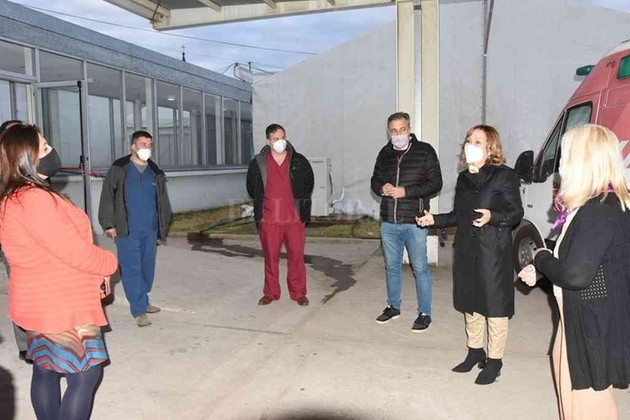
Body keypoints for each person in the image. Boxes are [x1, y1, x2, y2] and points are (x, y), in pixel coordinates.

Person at [0, 124, 118, 420]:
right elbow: (75, 252)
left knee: (46, 368)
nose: (51, 151)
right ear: (27, 159)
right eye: (43, 148)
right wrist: (109, 263)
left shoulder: (13, 197)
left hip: (38, 302)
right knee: (86, 374)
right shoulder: (35, 200)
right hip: (60, 306)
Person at [519, 124, 630, 419]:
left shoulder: (600, 210)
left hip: (592, 328)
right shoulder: (595, 204)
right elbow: (580, 259)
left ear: (583, 161)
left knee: (588, 407)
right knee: (572, 405)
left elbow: (576, 276)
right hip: (577, 320)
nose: (561, 165)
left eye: (566, 156)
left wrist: (541, 257)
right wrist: (543, 271)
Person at [417, 124, 523, 384]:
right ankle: (475, 351)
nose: (470, 145)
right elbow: (458, 215)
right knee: (471, 303)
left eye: (477, 141)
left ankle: (495, 361)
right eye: (468, 140)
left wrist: (492, 216)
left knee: (495, 306)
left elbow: (516, 213)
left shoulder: (504, 175)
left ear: (490, 146)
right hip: (466, 249)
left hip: (492, 251)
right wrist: (434, 220)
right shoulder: (464, 178)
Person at [370, 112, 442, 331]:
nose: (398, 134)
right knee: (392, 267)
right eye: (393, 131)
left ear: (409, 129)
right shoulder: (384, 153)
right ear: (388, 132)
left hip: (415, 221)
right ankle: (393, 306)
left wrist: (406, 191)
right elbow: (374, 180)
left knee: (420, 268)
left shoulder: (425, 151)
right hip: (389, 221)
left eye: (402, 130)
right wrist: (381, 188)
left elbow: (436, 183)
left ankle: (424, 312)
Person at [98, 130, 172, 327]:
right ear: (133, 146)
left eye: (149, 145)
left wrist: (163, 226)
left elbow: (162, 201)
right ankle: (138, 310)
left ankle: (143, 299)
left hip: (150, 229)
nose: (147, 148)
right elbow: (107, 197)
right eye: (142, 144)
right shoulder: (119, 168)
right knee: (132, 269)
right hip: (126, 229)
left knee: (147, 267)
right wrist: (108, 224)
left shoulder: (155, 172)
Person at [246, 123, 314, 306]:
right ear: (268, 141)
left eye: (282, 138)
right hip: (269, 220)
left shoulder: (299, 161)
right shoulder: (258, 163)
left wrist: (302, 208)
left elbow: (309, 184)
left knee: (296, 257)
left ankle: (298, 293)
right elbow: (252, 188)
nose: (280, 142)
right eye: (276, 139)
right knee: (271, 258)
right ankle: (271, 292)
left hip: (294, 219)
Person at [0, 119, 30, 363]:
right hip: (7, 235)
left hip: (25, 238)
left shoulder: (29, 165)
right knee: (20, 291)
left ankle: (33, 342)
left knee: (28, 290)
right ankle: (25, 343)